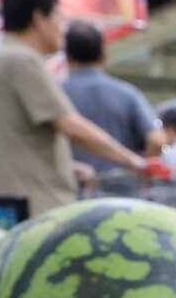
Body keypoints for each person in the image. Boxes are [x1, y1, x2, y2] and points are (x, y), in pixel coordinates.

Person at [0, 0, 148, 215]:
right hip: (36, 207)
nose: (61, 27)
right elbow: (71, 125)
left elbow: (16, 142)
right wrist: (135, 161)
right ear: (38, 18)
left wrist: (69, 168)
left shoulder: (0, 60)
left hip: (12, 204)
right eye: (58, 16)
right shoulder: (23, 59)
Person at [62, 22, 162, 194]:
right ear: (103, 55)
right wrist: (140, 170)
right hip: (124, 194)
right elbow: (157, 140)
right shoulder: (128, 93)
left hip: (75, 195)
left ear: (67, 56)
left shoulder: (56, 94)